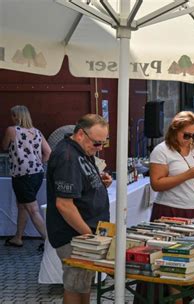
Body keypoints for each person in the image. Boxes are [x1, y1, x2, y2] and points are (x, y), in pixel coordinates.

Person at [134, 111, 194, 303]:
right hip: (169, 211)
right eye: (186, 135)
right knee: (171, 263)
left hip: (193, 210)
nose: (190, 139)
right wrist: (187, 175)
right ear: (174, 131)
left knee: (192, 260)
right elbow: (157, 183)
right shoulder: (162, 150)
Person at [46, 114, 112, 304]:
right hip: (74, 236)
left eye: (103, 143)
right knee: (75, 287)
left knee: (83, 285)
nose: (99, 148)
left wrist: (99, 183)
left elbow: (80, 188)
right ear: (81, 134)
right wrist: (90, 236)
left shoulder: (81, 150)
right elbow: (64, 204)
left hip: (83, 234)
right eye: (97, 143)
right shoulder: (67, 156)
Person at [1, 105, 51, 248]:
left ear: (16, 117)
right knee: (23, 205)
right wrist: (36, 163)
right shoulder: (37, 132)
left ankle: (49, 243)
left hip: (22, 175)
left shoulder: (12, 130)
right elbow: (48, 152)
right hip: (37, 173)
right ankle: (18, 237)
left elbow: (4, 146)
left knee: (32, 209)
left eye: (12, 115)